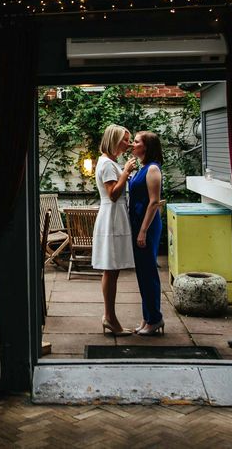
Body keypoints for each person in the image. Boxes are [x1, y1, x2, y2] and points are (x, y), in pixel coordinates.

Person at [91, 124, 138, 336]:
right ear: (114, 140)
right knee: (110, 270)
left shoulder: (109, 162)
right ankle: (109, 317)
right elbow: (113, 194)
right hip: (111, 216)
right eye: (125, 140)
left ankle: (109, 317)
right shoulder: (108, 164)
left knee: (112, 270)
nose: (128, 144)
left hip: (114, 216)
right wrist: (126, 172)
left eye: (129, 140)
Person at [128, 130, 165, 336]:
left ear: (147, 146)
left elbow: (154, 202)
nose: (133, 145)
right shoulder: (141, 167)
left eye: (136, 142)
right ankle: (147, 317)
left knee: (149, 272)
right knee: (142, 273)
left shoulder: (152, 169)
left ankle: (155, 318)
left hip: (147, 225)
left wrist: (142, 231)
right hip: (138, 223)